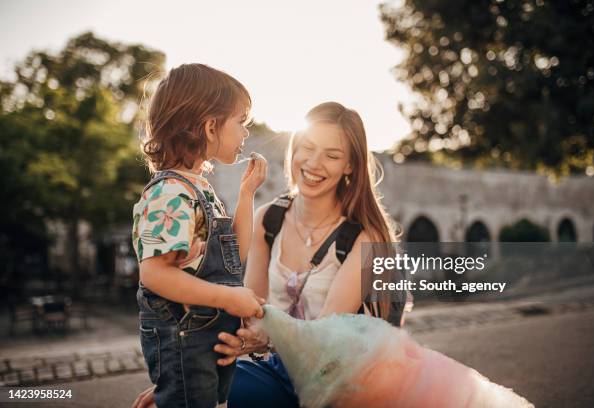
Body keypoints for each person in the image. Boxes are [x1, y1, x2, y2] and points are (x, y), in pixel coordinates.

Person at [133, 101, 407, 408]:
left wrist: (267, 336)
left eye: (332, 155)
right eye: (307, 147)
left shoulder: (365, 237)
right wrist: (183, 382)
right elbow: (251, 309)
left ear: (350, 166)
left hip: (343, 384)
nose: (314, 163)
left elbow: (326, 339)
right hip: (282, 372)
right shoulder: (269, 218)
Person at [132, 63, 268, 408]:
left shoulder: (199, 187)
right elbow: (156, 273)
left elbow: (234, 249)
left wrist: (247, 194)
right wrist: (229, 298)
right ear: (210, 126)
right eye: (242, 122)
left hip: (204, 336)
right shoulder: (171, 193)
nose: (245, 134)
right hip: (183, 338)